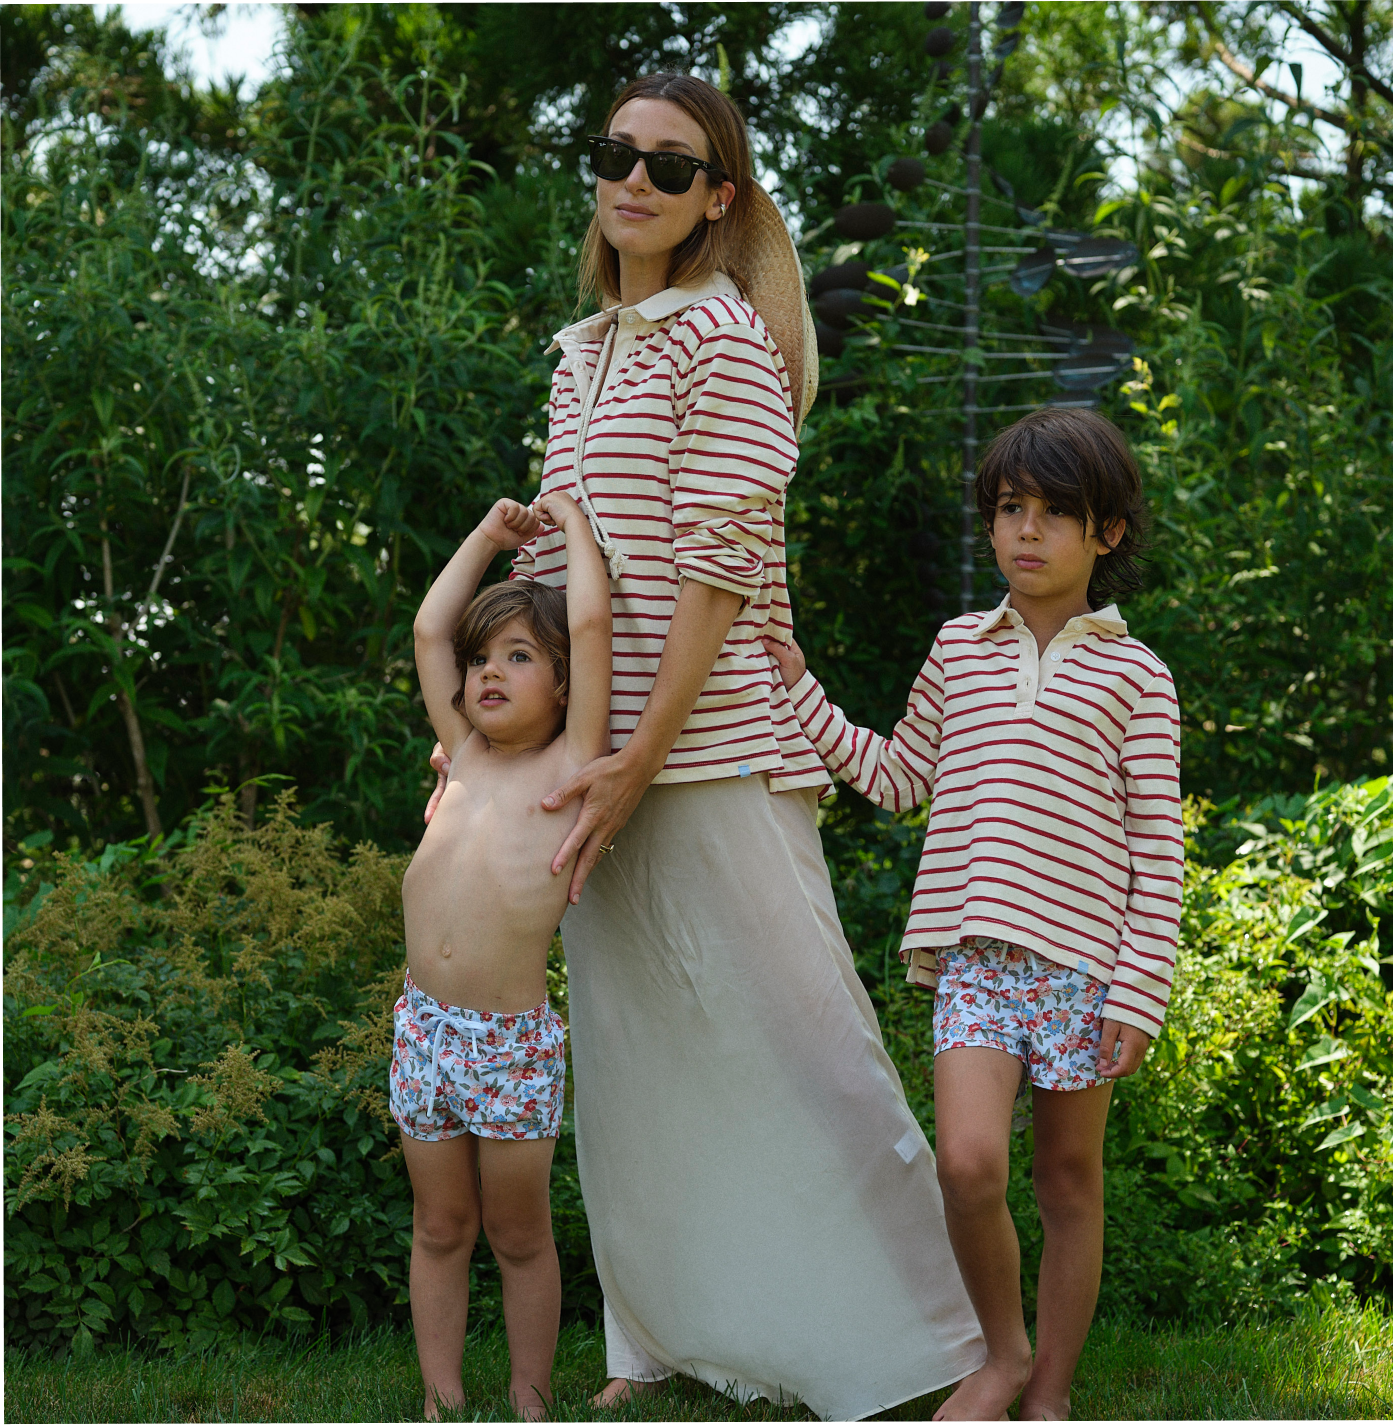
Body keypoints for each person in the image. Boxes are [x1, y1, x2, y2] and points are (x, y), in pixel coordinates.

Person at [428, 71, 984, 1421]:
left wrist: (638, 757)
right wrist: (526, 752)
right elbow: (565, 577)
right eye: (613, 152)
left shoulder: (727, 342)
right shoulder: (586, 351)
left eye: (669, 167)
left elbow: (718, 575)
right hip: (591, 759)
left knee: (812, 1044)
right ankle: (657, 1337)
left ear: (717, 198)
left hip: (719, 742)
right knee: (637, 1061)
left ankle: (935, 1337)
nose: (633, 180)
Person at [763, 407, 1185, 1423]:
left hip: (1087, 971)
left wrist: (1140, 986)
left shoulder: (1138, 677)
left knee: (1070, 1180)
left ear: (1107, 533)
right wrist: (797, 684)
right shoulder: (958, 650)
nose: (1026, 530)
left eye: (1053, 512)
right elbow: (898, 774)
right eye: (1009, 509)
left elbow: (1160, 853)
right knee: (967, 1162)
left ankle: (1048, 1393)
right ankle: (1000, 1355)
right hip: (976, 965)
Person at [394, 491, 612, 1421]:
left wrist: (574, 532)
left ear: (563, 685)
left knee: (519, 1233)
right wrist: (488, 535)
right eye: (483, 660)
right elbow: (428, 627)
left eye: (518, 657)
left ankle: (530, 1399)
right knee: (441, 1224)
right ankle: (440, 1397)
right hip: (422, 1026)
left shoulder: (571, 769)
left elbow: (594, 622)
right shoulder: (466, 752)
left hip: (508, 1043)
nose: (486, 672)